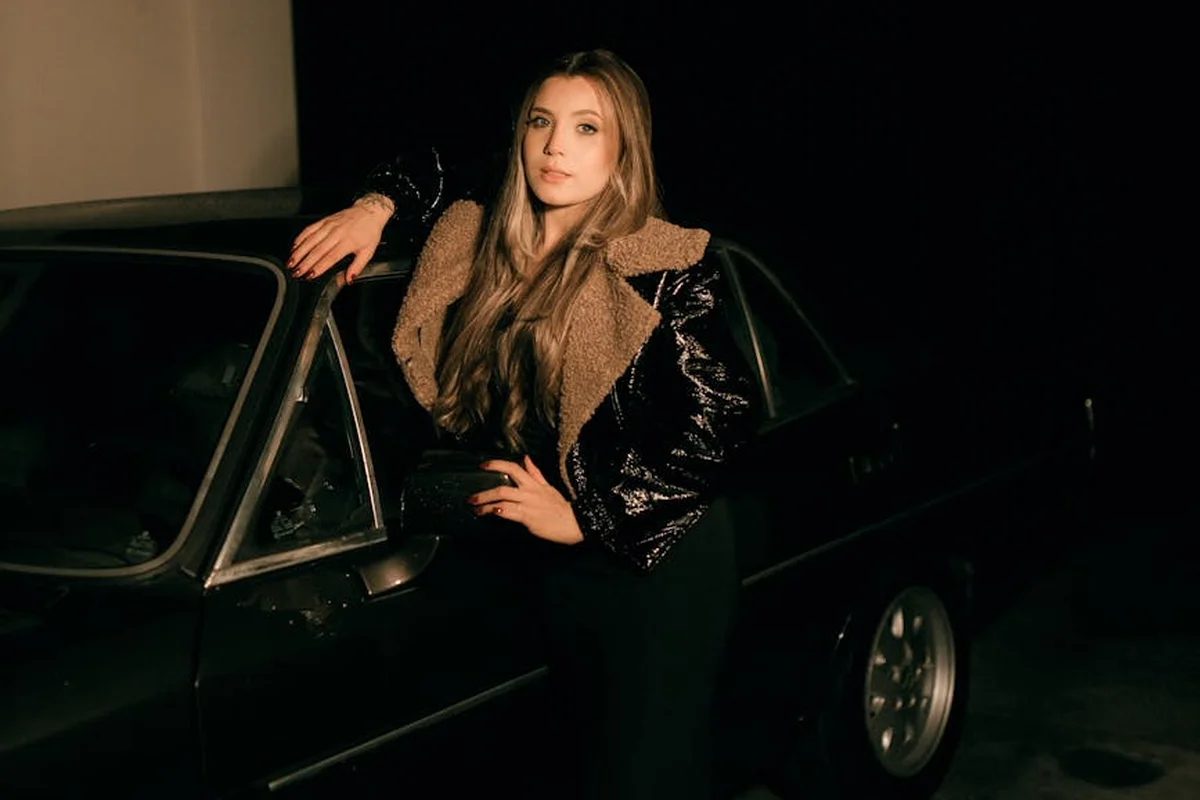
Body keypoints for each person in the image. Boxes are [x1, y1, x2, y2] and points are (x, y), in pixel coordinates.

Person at [288, 49, 758, 799]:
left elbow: (722, 416)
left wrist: (589, 518)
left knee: (641, 780)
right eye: (542, 123)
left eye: (585, 128)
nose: (555, 147)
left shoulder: (662, 262)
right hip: (549, 562)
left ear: (622, 150)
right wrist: (372, 208)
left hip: (654, 557)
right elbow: (435, 168)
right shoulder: (488, 235)